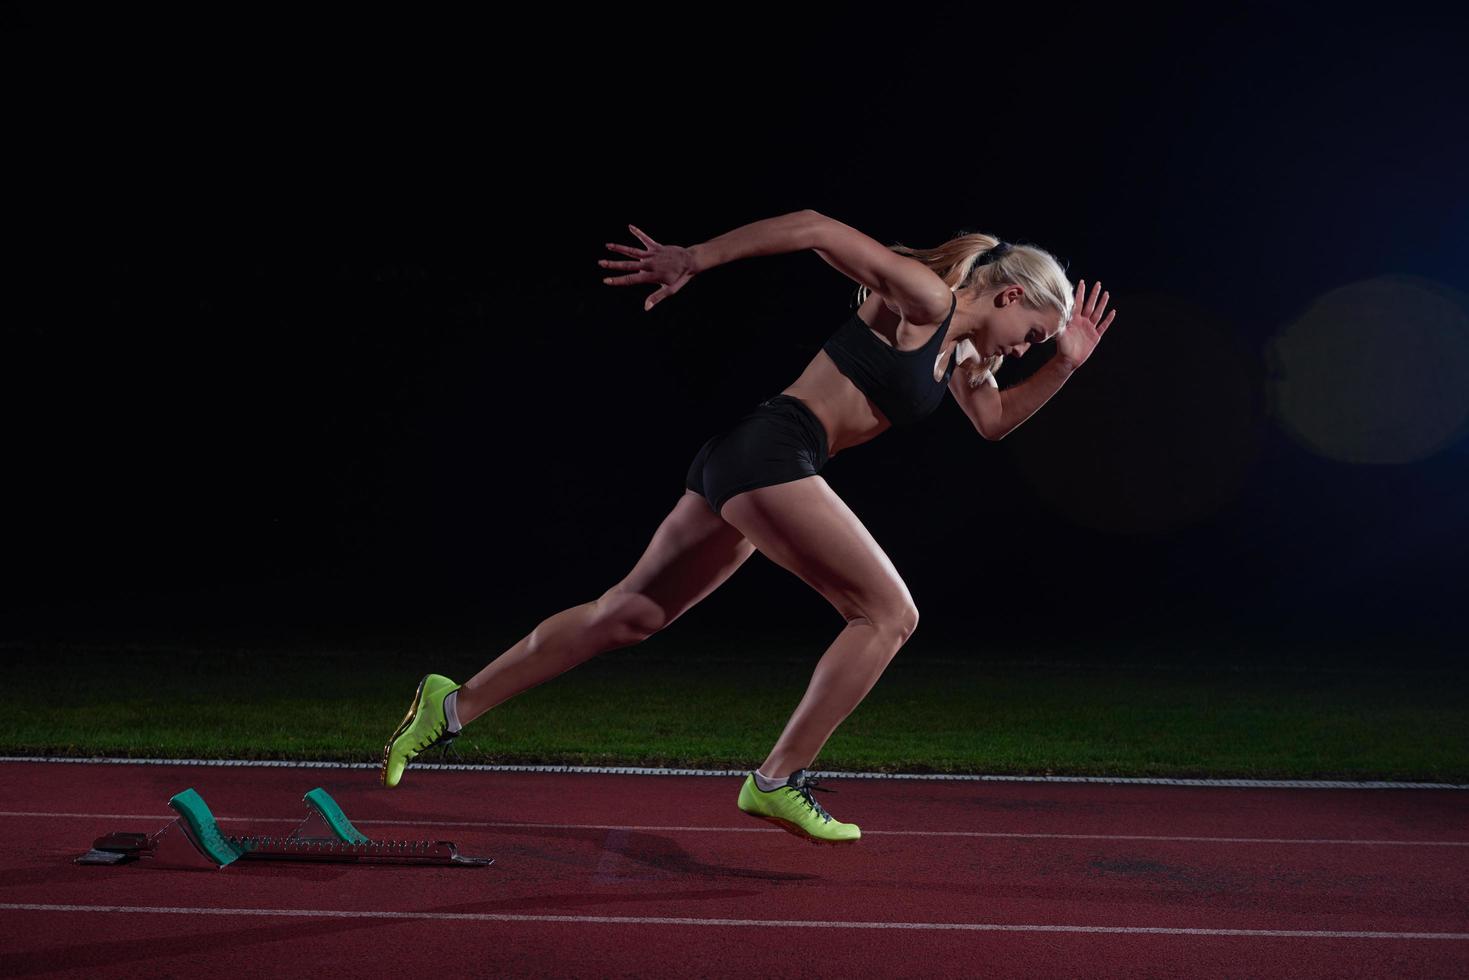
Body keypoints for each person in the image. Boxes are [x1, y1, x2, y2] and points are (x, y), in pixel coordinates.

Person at [380, 209, 1116, 845]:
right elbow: (813, 228)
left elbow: (990, 423)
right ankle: (777, 777)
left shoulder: (959, 354)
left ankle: (451, 702)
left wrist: (1065, 367)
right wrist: (694, 258)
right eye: (1030, 335)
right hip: (773, 451)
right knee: (888, 614)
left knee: (627, 614)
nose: (1024, 350)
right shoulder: (922, 299)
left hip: (752, 456)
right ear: (1009, 295)